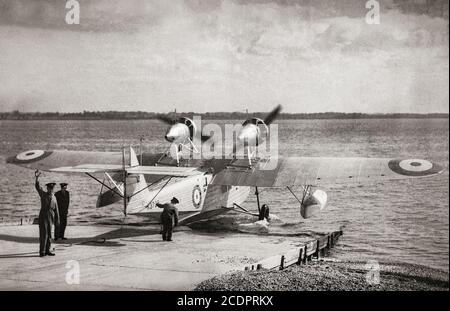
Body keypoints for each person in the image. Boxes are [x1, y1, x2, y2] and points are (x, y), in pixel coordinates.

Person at [34, 170, 59, 257]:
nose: (51, 189)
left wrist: (57, 220)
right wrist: (37, 178)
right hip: (43, 216)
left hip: (51, 217)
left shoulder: (54, 197)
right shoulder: (43, 194)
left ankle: (48, 250)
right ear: (47, 188)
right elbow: (38, 188)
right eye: (49, 188)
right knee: (43, 235)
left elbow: (56, 210)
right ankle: (42, 252)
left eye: (52, 188)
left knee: (49, 235)